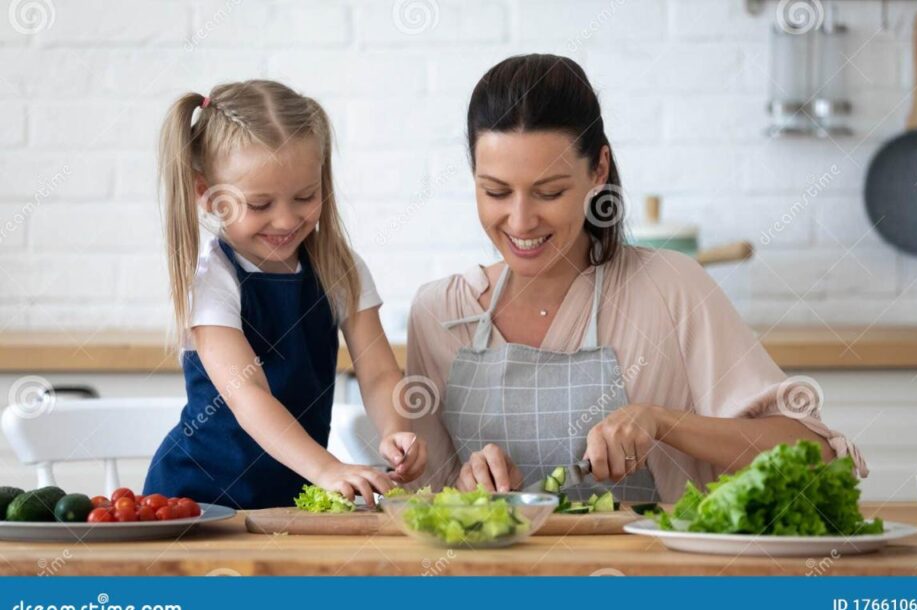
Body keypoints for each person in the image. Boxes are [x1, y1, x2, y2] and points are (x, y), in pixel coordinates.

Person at [404, 55, 865, 502]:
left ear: (598, 170)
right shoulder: (442, 313)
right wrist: (463, 492)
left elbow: (816, 458)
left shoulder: (670, 289)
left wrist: (663, 423)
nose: (521, 221)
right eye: (496, 191)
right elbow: (418, 497)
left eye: (550, 192)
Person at [144, 80, 425, 509]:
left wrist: (394, 430)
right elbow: (247, 394)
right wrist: (329, 469)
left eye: (305, 196)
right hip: (199, 503)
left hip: (289, 496)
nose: (286, 219)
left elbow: (379, 374)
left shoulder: (339, 268)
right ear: (208, 196)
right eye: (260, 204)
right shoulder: (212, 279)